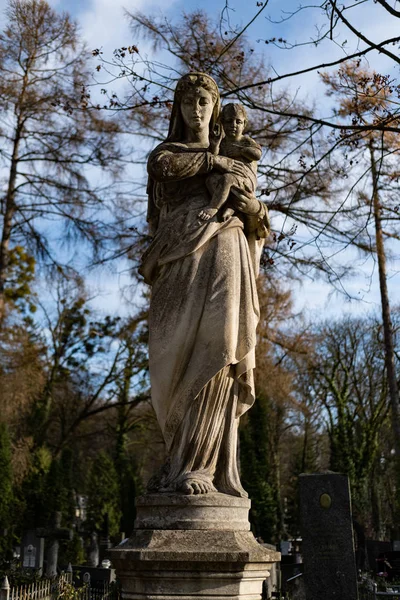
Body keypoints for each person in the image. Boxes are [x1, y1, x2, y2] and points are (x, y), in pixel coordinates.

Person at [139, 72, 270, 497]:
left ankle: (200, 466)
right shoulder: (168, 153)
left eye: (204, 102)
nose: (196, 110)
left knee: (220, 348)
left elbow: (257, 215)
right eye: (188, 102)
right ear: (177, 110)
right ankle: (176, 458)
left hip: (226, 247)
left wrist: (255, 210)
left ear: (216, 108)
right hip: (176, 261)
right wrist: (215, 163)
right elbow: (164, 168)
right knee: (170, 361)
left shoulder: (235, 153)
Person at [198, 102, 262, 221]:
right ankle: (229, 204)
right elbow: (214, 157)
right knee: (210, 180)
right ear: (222, 123)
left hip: (245, 179)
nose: (233, 125)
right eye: (229, 121)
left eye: (238, 122)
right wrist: (215, 144)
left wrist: (241, 151)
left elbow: (257, 154)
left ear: (244, 124)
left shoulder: (245, 141)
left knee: (228, 179)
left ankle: (214, 207)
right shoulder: (223, 142)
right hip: (228, 179)